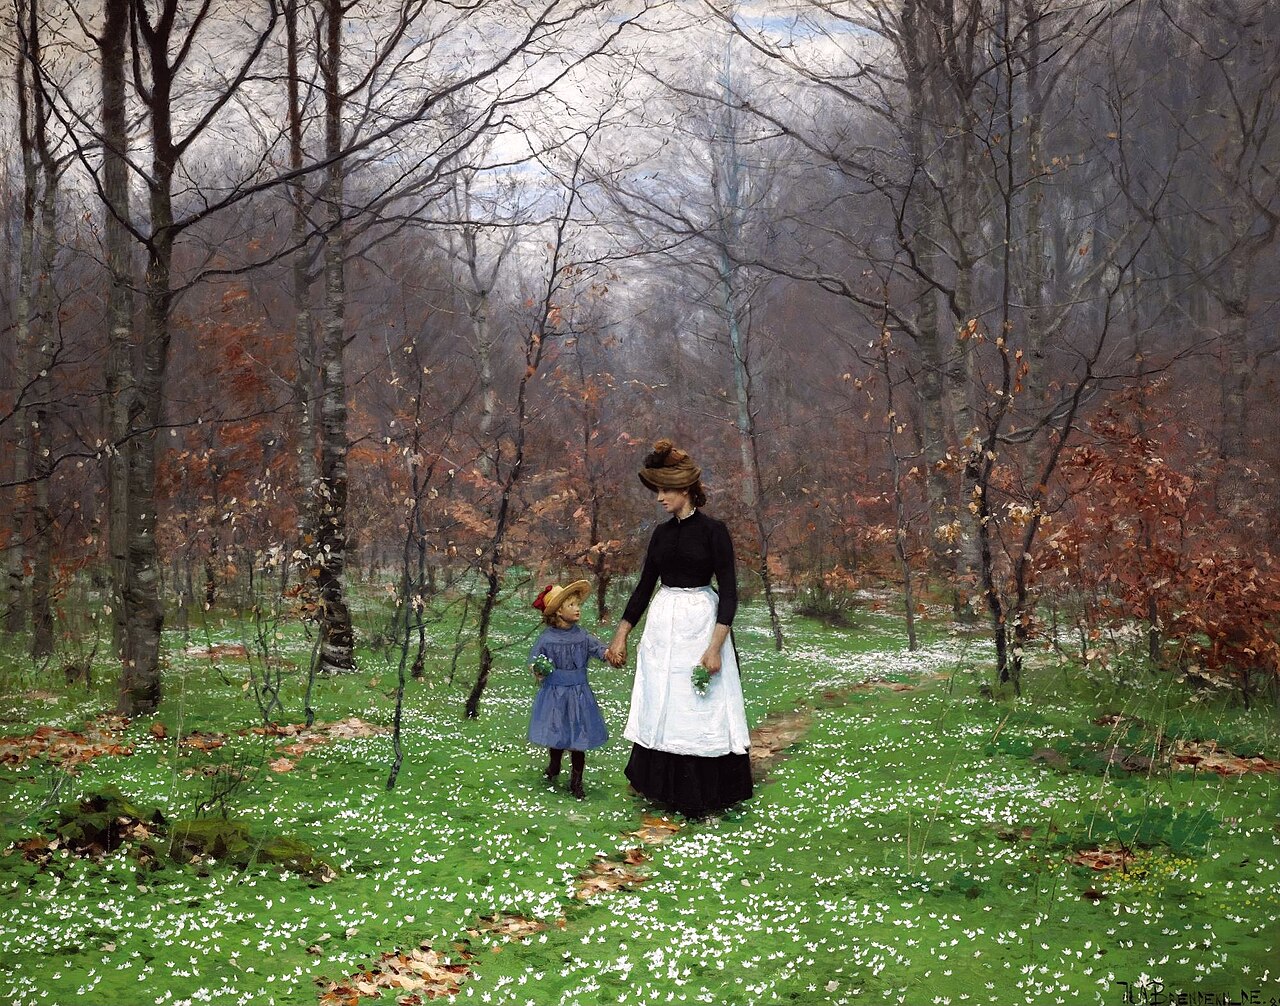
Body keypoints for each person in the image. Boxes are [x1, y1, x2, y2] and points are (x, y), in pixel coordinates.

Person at [605, 439, 752, 818]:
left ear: (685, 489)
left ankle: (702, 793)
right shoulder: (661, 534)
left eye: (665, 490)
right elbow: (643, 587)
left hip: (701, 623)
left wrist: (715, 648)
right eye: (657, 491)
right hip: (662, 626)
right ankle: (661, 787)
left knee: (697, 703)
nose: (659, 498)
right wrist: (622, 633)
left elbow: (731, 594)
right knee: (663, 699)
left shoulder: (713, 531)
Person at [527, 579, 611, 799]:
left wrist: (609, 654)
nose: (577, 609)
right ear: (558, 612)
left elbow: (598, 649)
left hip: (578, 693)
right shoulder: (547, 638)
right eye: (571, 605)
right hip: (555, 692)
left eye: (578, 604)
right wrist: (538, 669)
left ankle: (576, 782)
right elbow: (535, 659)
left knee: (578, 739)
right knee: (557, 733)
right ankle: (554, 767)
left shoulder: (582, 635)